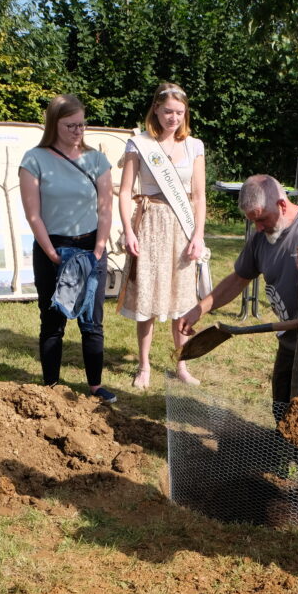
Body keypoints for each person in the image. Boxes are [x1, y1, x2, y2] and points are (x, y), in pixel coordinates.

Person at [176, 174, 298, 407]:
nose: (258, 228)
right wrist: (199, 309)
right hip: (290, 335)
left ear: (281, 205)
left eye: (262, 219)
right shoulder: (260, 237)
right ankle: (286, 444)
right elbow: (238, 279)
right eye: (253, 222)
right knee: (282, 407)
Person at [19, 94, 116, 404]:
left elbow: (105, 208)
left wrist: (99, 248)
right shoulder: (34, 159)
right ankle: (51, 386)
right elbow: (33, 214)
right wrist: (51, 253)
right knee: (52, 320)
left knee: (92, 321)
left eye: (82, 124)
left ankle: (96, 387)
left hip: (91, 248)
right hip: (53, 247)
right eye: (70, 125)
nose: (78, 131)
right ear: (54, 124)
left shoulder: (97, 160)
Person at [117, 82, 206, 389]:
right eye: (168, 111)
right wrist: (129, 230)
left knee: (183, 298)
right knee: (148, 297)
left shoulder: (194, 146)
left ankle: (181, 364)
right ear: (155, 108)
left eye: (179, 113)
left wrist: (199, 235)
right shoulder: (138, 144)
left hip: (182, 227)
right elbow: (126, 191)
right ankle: (144, 366)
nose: (173, 118)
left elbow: (198, 196)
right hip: (151, 223)